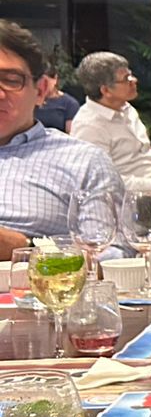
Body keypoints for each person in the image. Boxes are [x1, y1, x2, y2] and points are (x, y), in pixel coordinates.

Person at [0, 21, 124, 256]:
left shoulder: (84, 163)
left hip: (33, 277)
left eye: (11, 80)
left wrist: (27, 248)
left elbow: (112, 254)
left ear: (41, 90)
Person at [69, 51, 151, 195]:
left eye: (131, 75)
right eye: (126, 79)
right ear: (106, 90)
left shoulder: (126, 109)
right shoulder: (89, 126)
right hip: (130, 199)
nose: (134, 80)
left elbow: (146, 154)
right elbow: (102, 183)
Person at [33, 63, 78, 133]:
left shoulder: (70, 104)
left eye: (46, 82)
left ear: (55, 79)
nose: (42, 86)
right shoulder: (31, 100)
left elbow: (70, 132)